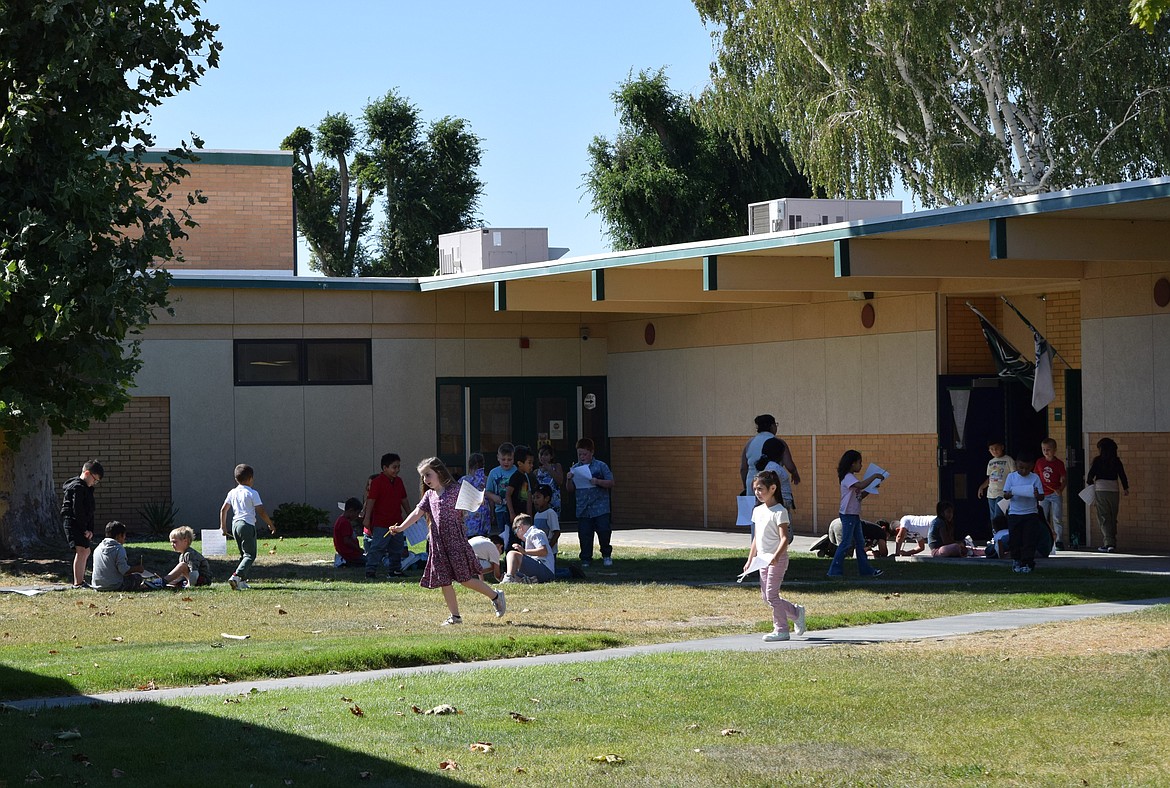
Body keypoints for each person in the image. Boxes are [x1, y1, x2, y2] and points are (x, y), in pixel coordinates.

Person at [389, 457, 506, 625]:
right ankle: (455, 617)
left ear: (440, 472)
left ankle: (496, 596)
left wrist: (477, 501)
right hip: (438, 545)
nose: (425, 480)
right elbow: (417, 513)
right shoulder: (429, 496)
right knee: (444, 580)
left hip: (456, 542)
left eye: (428, 475)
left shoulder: (455, 490)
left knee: (465, 579)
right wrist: (400, 528)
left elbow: (475, 499)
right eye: (423, 477)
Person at [745, 470, 806, 642]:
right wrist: (750, 560)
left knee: (771, 595)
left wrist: (776, 556)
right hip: (762, 560)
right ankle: (795, 612)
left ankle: (781, 630)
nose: (757, 492)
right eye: (755, 489)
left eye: (760, 489)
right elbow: (756, 538)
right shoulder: (757, 511)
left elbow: (784, 538)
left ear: (773, 488)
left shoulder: (780, 511)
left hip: (777, 560)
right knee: (766, 597)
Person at [827, 450, 886, 578]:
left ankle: (866, 570)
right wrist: (874, 476)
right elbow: (861, 484)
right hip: (848, 515)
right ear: (852, 463)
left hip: (854, 515)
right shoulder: (848, 477)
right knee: (846, 543)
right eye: (860, 462)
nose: (861, 465)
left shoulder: (852, 478)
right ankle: (834, 571)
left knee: (860, 543)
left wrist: (872, 488)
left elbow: (860, 496)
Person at [219, 463, 276, 591]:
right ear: (250, 478)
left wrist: (223, 527)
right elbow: (261, 510)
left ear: (236, 479)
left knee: (243, 554)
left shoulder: (232, 492)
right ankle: (236, 576)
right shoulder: (252, 492)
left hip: (235, 525)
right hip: (247, 525)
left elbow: (224, 509)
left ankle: (242, 581)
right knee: (250, 555)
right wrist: (270, 524)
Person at [565, 437, 615, 568]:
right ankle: (586, 558)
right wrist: (569, 479)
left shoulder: (601, 466)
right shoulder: (575, 468)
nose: (582, 457)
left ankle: (606, 555)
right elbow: (570, 489)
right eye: (579, 454)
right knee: (585, 534)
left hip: (600, 507)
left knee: (604, 530)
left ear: (592, 452)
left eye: (585, 454)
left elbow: (611, 482)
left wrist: (597, 481)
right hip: (583, 508)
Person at [363, 453, 412, 579]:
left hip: (397, 521)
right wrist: (367, 518)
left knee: (397, 547)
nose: (397, 470)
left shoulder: (399, 481)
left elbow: (404, 499)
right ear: (385, 468)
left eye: (398, 467)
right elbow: (371, 500)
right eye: (394, 467)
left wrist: (410, 514)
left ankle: (395, 570)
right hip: (381, 522)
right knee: (378, 546)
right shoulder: (377, 482)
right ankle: (370, 570)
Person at [60, 459, 104, 589]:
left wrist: (90, 529)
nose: (94, 483)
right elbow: (77, 509)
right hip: (73, 522)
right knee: (81, 551)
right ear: (87, 473)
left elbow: (90, 511)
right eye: (94, 480)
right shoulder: (76, 487)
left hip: (83, 524)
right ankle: (78, 583)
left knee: (86, 551)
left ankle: (80, 580)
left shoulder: (88, 489)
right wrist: (84, 529)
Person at [1086, 437, 1129, 553]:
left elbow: (1090, 477)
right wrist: (1126, 488)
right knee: (1112, 516)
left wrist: (1091, 484)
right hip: (1114, 490)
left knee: (1103, 516)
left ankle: (1108, 543)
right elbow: (1122, 475)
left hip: (1101, 489)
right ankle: (1112, 542)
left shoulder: (1098, 461)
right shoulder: (1116, 461)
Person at [1003, 455, 1045, 573]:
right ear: (1016, 465)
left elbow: (1042, 496)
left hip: (1030, 513)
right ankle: (1016, 560)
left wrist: (1037, 495)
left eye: (1027, 468)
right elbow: (1005, 494)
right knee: (1015, 539)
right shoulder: (1011, 477)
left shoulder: (1035, 478)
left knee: (1029, 539)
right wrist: (1010, 494)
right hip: (1015, 513)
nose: (1024, 471)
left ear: (1032, 467)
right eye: (1021, 468)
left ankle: (1028, 562)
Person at [740, 414, 799, 494]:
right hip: (770, 486)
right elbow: (790, 465)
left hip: (752, 485)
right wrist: (795, 474)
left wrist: (746, 487)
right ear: (772, 426)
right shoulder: (778, 443)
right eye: (776, 424)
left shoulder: (750, 443)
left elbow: (743, 469)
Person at [91, 521, 146, 592]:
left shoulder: (98, 548)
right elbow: (124, 570)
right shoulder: (118, 548)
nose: (124, 540)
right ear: (119, 535)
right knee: (137, 578)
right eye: (124, 536)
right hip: (114, 586)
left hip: (97, 586)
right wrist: (137, 569)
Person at [501, 514, 555, 584]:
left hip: (545, 570)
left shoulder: (535, 533)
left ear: (520, 528)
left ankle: (509, 578)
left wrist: (524, 551)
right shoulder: (531, 535)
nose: (517, 536)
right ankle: (528, 579)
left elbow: (544, 551)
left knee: (512, 554)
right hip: (543, 570)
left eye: (515, 532)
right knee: (513, 572)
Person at [1036, 438, 1068, 550]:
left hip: (1055, 494)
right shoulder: (1039, 462)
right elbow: (1036, 477)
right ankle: (1044, 538)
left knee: (1057, 517)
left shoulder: (1059, 463)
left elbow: (1064, 478)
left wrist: (1061, 489)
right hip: (1043, 494)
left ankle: (1059, 540)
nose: (1046, 452)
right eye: (1043, 449)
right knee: (1043, 517)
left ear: (1054, 450)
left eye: (1048, 449)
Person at [504, 445, 537, 551]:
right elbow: (508, 494)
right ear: (520, 463)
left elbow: (527, 497)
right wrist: (512, 513)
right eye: (529, 463)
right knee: (514, 539)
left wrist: (529, 514)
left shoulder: (526, 477)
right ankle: (509, 561)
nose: (532, 465)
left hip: (522, 516)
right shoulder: (516, 477)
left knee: (522, 538)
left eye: (532, 462)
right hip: (515, 515)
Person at [977, 440, 1015, 527]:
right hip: (991, 493)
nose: (994, 451)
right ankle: (995, 537)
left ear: (1002, 447)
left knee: (999, 516)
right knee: (993, 517)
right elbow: (990, 477)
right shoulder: (990, 462)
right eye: (991, 449)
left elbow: (1014, 475)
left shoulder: (1008, 460)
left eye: (996, 448)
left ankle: (1001, 536)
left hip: (1003, 492)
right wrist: (982, 487)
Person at [815, 518, 893, 559]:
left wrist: (873, 553)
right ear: (884, 529)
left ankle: (824, 548)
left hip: (837, 522)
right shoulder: (880, 531)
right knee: (847, 555)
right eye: (888, 535)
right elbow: (884, 553)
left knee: (837, 554)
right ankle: (827, 544)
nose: (887, 538)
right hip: (845, 525)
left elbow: (864, 550)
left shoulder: (871, 531)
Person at [754, 437, 796, 510]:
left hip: (779, 502)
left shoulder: (770, 466)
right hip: (779, 502)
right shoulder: (774, 468)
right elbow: (767, 484)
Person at [484, 442, 515, 537]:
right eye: (503, 459)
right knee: (503, 534)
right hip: (500, 510)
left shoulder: (517, 471)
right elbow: (487, 491)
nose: (506, 462)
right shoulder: (493, 473)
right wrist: (494, 497)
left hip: (515, 508)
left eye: (509, 459)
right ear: (498, 457)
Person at [462, 453, 492, 538]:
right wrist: (492, 512)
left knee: (470, 539)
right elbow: (489, 497)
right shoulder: (485, 480)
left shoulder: (464, 480)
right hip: (483, 511)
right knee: (483, 537)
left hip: (469, 512)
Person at [333, 497, 365, 568]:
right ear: (351, 510)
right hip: (350, 555)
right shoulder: (344, 522)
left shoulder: (341, 520)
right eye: (357, 513)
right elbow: (347, 541)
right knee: (369, 561)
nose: (357, 516)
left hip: (347, 554)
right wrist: (358, 549)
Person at [535, 444, 564, 515]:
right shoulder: (536, 472)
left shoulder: (556, 466)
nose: (543, 457)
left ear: (551, 456)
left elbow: (559, 481)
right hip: (541, 501)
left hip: (554, 500)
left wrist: (549, 468)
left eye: (546, 455)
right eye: (541, 454)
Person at [532, 484, 561, 553]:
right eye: (534, 498)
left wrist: (548, 548)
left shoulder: (550, 513)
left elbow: (556, 533)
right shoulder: (537, 515)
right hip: (539, 550)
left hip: (549, 552)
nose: (535, 500)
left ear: (547, 498)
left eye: (538, 497)